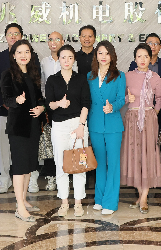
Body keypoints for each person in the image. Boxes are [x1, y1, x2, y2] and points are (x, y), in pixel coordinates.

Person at [1, 39, 45, 222]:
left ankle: (24, 199)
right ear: (13, 55)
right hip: (18, 127)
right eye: (19, 52)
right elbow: (5, 100)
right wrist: (16, 101)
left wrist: (42, 107)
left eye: (27, 52)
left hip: (33, 126)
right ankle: (19, 207)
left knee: (29, 165)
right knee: (20, 167)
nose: (23, 55)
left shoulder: (33, 73)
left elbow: (40, 98)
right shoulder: (8, 74)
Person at [45, 45, 91, 217]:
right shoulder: (52, 79)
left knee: (80, 164)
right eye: (63, 57)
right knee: (61, 164)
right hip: (59, 126)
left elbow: (86, 104)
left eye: (70, 57)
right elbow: (49, 104)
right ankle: (64, 202)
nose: (66, 60)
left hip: (78, 124)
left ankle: (78, 203)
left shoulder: (81, 79)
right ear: (59, 59)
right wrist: (59, 103)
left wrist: (81, 125)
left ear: (74, 59)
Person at [121, 44, 161, 214]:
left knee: (148, 155)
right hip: (131, 118)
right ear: (135, 59)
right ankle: (140, 194)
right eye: (139, 56)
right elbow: (120, 97)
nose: (143, 59)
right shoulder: (127, 76)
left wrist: (153, 113)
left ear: (150, 58)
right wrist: (127, 99)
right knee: (135, 156)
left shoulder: (155, 77)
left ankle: (144, 197)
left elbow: (159, 98)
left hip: (149, 119)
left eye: (146, 56)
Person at [129, 33, 161, 192]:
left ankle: (160, 179)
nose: (153, 46)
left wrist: (156, 111)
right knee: (137, 148)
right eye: (150, 43)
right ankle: (138, 182)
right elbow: (128, 91)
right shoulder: (130, 70)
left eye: (156, 43)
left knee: (157, 146)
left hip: (155, 114)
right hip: (135, 115)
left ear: (159, 47)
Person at [87, 41, 126, 215]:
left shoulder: (119, 75)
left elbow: (121, 99)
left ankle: (110, 202)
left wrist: (113, 107)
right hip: (95, 124)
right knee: (100, 163)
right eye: (100, 53)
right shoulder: (90, 76)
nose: (103, 56)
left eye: (107, 53)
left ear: (112, 56)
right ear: (96, 55)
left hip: (113, 125)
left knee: (113, 164)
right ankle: (99, 199)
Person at [36, 31, 75, 193]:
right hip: (50, 107)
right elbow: (41, 84)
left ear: (62, 41)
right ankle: (52, 176)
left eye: (57, 39)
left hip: (69, 107)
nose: (53, 42)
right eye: (50, 39)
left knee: (69, 143)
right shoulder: (44, 61)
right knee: (51, 143)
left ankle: (69, 174)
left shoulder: (69, 59)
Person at [0, 23, 24, 193]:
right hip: (5, 111)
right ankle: (4, 178)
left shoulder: (30, 56)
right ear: (5, 37)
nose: (13, 36)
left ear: (21, 36)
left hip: (24, 112)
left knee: (22, 146)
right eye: (10, 33)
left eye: (16, 33)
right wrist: (4, 102)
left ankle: (25, 177)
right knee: (3, 147)